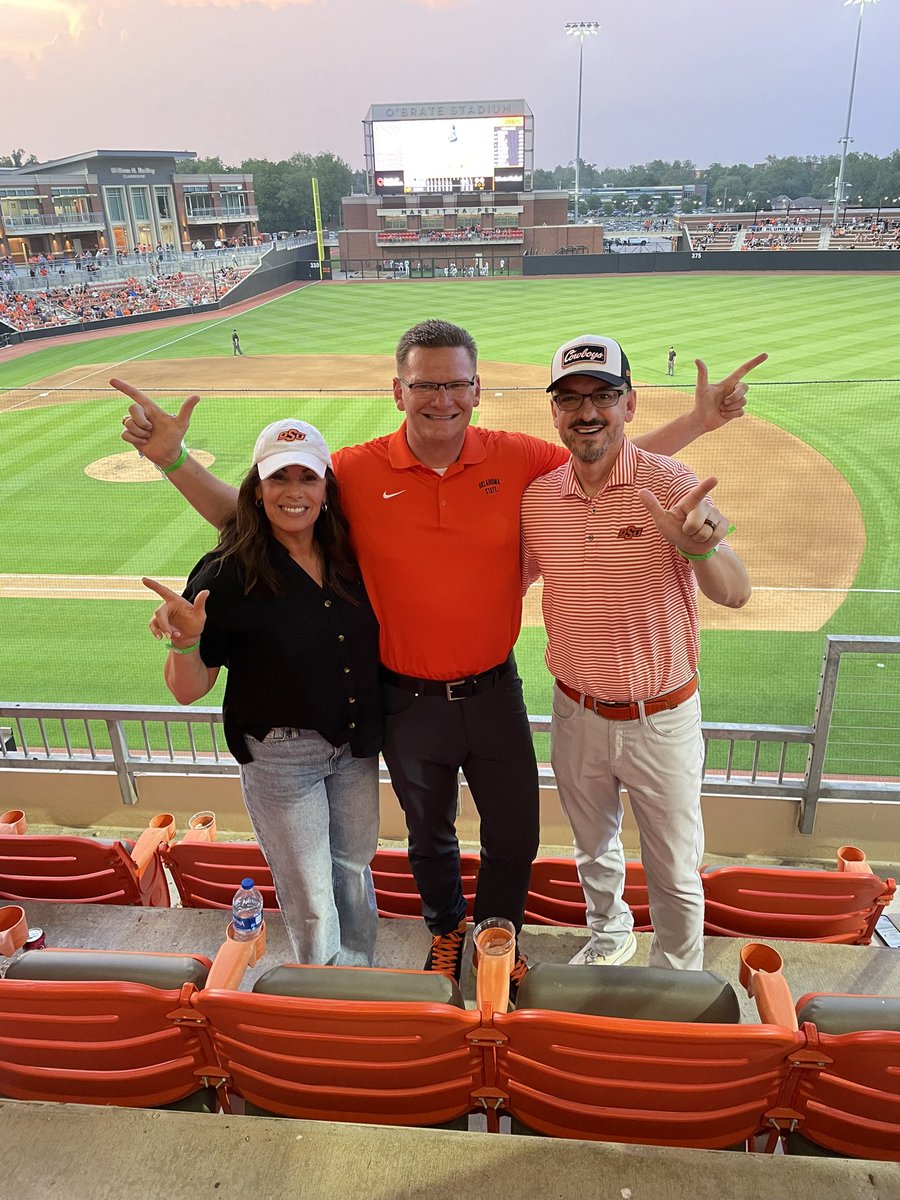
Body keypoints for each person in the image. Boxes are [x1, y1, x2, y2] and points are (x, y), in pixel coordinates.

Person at [114, 319, 753, 991]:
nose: (440, 398)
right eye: (425, 385)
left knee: (515, 836)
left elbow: (606, 461)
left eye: (454, 384)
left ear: (477, 390)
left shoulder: (520, 459)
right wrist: (174, 461)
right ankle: (448, 931)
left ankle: (498, 937)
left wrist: (696, 424)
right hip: (407, 699)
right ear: (398, 390)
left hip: (494, 690)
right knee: (430, 836)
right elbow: (262, 514)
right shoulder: (357, 471)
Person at [521, 334, 760, 972]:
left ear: (629, 403)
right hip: (575, 712)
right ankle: (610, 934)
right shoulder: (539, 499)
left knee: (676, 867)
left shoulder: (673, 482)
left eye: (603, 395)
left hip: (663, 717)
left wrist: (701, 546)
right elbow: (507, 579)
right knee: (593, 848)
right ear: (554, 413)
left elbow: (735, 593)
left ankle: (677, 972)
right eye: (570, 399)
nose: (587, 411)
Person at [142, 418, 382, 967]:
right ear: (257, 488)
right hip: (281, 758)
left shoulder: (353, 554)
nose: (294, 492)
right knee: (311, 892)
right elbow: (189, 689)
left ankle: (360, 973)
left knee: (352, 869)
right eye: (279, 479)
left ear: (326, 488)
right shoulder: (226, 574)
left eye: (308, 478)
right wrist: (186, 643)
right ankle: (322, 992)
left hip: (355, 748)